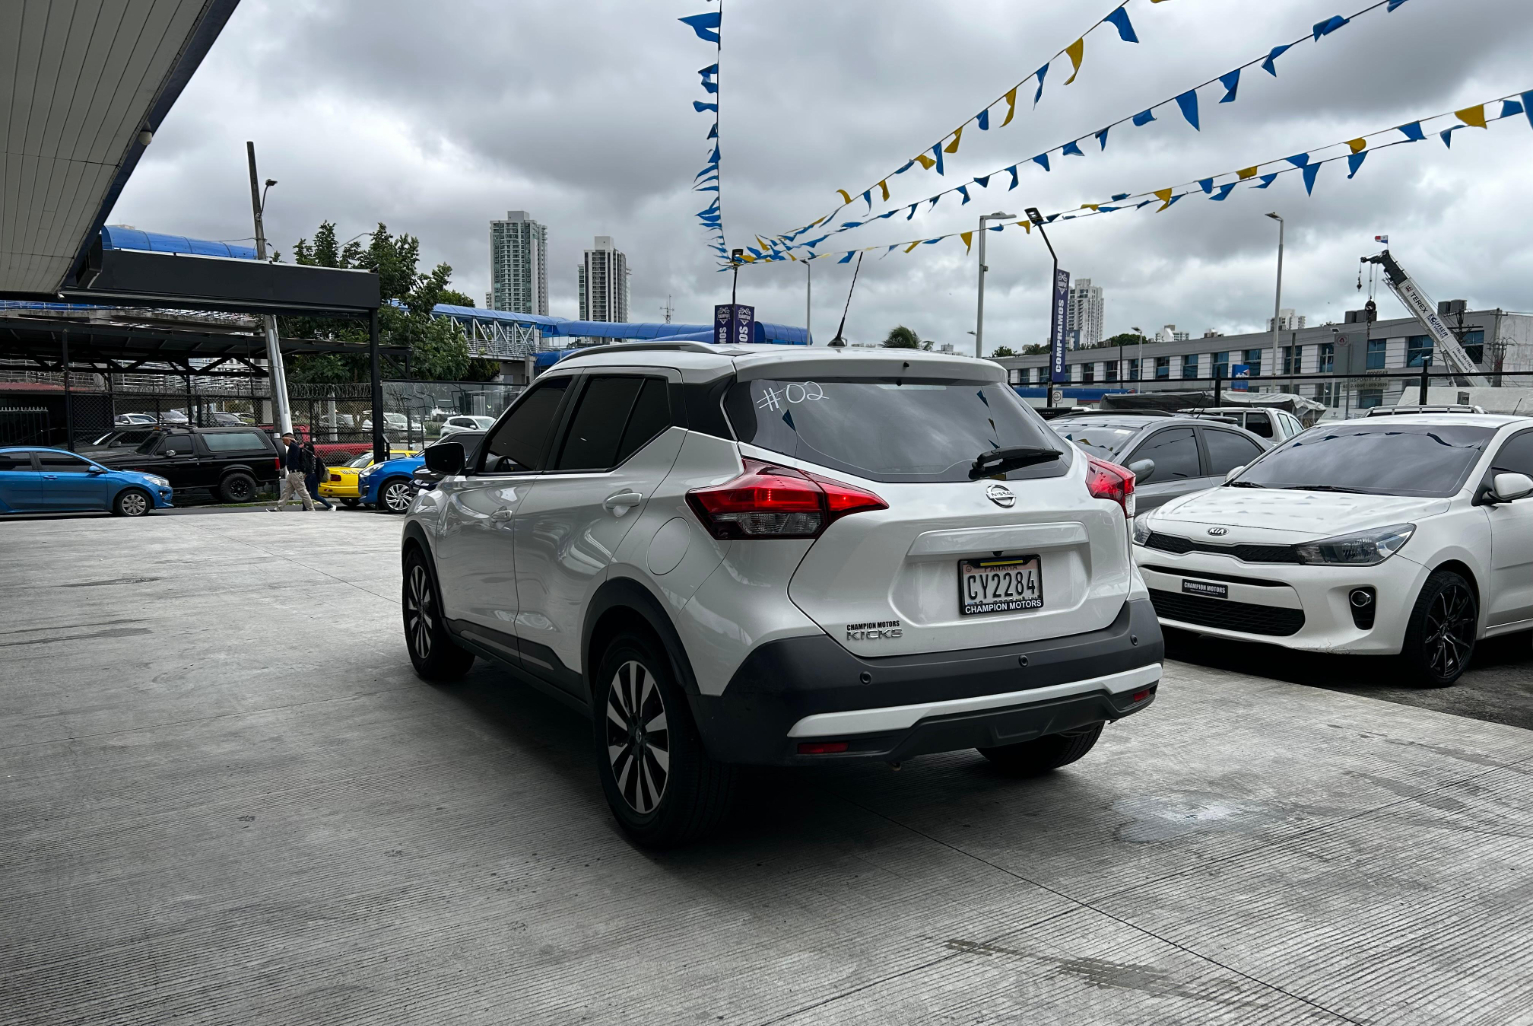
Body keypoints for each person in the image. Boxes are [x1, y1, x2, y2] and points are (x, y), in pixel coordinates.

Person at [268, 431, 315, 512]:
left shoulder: (294, 446)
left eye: (285, 442)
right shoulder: (293, 447)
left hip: (295, 473)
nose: (284, 443)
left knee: (302, 492)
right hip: (292, 474)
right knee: (286, 492)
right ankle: (279, 508)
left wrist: (291, 439)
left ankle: (311, 508)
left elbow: (284, 438)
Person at [303, 441, 334, 510]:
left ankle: (330, 506)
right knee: (305, 494)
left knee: (314, 495)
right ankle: (304, 509)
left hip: (312, 477)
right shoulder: (312, 456)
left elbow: (309, 467)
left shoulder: (310, 457)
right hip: (310, 476)